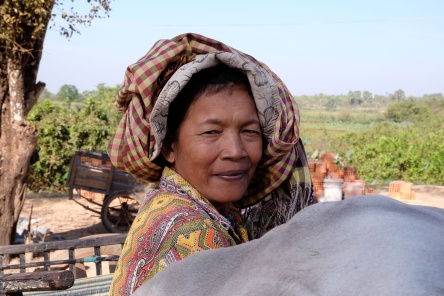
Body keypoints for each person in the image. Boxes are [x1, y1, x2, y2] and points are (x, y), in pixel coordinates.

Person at [107, 33, 313, 295]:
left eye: (249, 132)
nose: (235, 152)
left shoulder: (174, 206)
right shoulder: (193, 236)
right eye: (211, 132)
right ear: (170, 146)